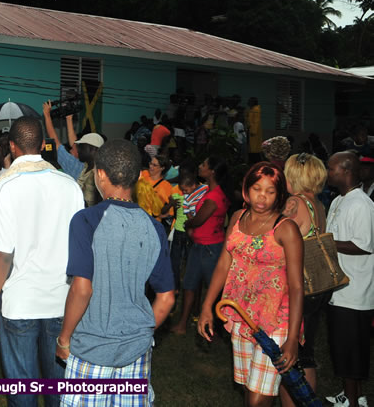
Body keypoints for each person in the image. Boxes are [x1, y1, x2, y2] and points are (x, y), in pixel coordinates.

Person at [56, 139, 175, 407]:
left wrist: (64, 339)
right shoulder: (154, 228)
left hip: (91, 351)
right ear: (137, 177)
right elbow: (166, 298)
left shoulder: (85, 221)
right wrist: (139, 332)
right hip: (137, 352)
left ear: (100, 174)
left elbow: (82, 288)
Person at [0, 116, 84, 407]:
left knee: (22, 389)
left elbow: (2, 255)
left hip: (20, 303)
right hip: (62, 301)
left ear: (12, 147)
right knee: (58, 388)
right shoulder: (70, 186)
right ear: (43, 144)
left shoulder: (7, 185)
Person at [197, 162, 303, 407]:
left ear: (279, 195)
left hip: (276, 321)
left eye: (270, 191)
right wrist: (206, 307)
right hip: (242, 316)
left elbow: (297, 287)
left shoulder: (286, 229)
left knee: (258, 399)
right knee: (248, 390)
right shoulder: (237, 218)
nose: (262, 196)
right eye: (257, 189)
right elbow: (224, 264)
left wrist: (293, 338)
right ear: (246, 190)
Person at [323, 151, 374, 407]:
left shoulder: (362, 205)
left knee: (352, 352)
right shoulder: (337, 200)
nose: (327, 173)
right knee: (342, 349)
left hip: (354, 293)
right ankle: (354, 395)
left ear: (346, 171)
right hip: (339, 288)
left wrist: (326, 244)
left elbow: (364, 245)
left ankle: (353, 403)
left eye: (331, 169)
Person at [281, 153, 329, 400]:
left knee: (291, 354)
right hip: (319, 285)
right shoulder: (317, 202)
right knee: (305, 351)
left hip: (302, 286)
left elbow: (276, 237)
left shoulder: (295, 203)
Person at [170, 156, 231, 335]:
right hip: (200, 245)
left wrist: (187, 225)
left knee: (214, 288)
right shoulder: (208, 192)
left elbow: (198, 220)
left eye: (204, 164)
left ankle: (218, 326)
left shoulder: (213, 197)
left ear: (212, 172)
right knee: (189, 284)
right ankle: (183, 323)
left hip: (210, 248)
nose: (200, 166)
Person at [43, 101, 103, 207]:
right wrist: (69, 119)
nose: (78, 148)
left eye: (81, 146)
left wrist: (47, 116)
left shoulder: (79, 169)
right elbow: (74, 145)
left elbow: (56, 143)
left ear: (92, 149)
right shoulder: (101, 170)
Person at [246, 97, 262, 163]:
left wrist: (253, 131)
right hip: (251, 131)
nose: (248, 102)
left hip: (254, 133)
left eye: (250, 101)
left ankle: (255, 162)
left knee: (254, 149)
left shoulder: (256, 109)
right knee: (252, 148)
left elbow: (256, 121)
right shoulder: (252, 109)